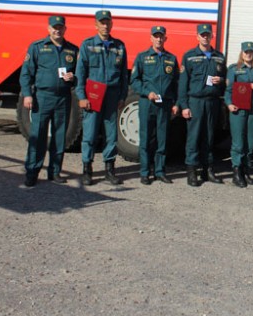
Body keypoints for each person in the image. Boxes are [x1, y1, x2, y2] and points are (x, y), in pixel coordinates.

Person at [20, 15, 78, 187]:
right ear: (48, 28)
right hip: (42, 97)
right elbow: (26, 74)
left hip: (63, 98)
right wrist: (27, 94)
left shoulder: (72, 50)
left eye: (60, 27)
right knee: (38, 136)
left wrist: (73, 78)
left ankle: (54, 171)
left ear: (65, 29)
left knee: (59, 136)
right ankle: (32, 171)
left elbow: (80, 76)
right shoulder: (37, 47)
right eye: (54, 27)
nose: (57, 30)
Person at [76, 10, 129, 185]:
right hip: (93, 96)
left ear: (112, 24)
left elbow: (123, 76)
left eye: (108, 22)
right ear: (96, 25)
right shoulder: (87, 45)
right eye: (102, 22)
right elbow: (80, 73)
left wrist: (123, 96)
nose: (105, 26)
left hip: (112, 96)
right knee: (90, 134)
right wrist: (81, 96)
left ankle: (109, 169)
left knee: (111, 135)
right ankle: (87, 169)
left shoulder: (119, 46)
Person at [177, 23, 227, 187]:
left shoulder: (219, 57)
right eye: (202, 34)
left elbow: (225, 83)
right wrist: (184, 105)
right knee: (194, 137)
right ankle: (191, 171)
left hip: (212, 102)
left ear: (211, 36)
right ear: (197, 36)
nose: (205, 37)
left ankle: (208, 169)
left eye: (207, 34)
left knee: (210, 137)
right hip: (196, 101)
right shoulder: (190, 56)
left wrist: (220, 81)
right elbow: (183, 83)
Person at [130, 26, 180, 185]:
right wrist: (146, 92)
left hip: (164, 105)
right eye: (156, 36)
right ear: (150, 38)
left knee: (162, 139)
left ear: (166, 38)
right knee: (145, 139)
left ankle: (160, 171)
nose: (158, 39)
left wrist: (176, 103)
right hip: (147, 103)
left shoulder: (171, 58)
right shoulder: (143, 57)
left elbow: (176, 83)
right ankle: (144, 172)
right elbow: (134, 80)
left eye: (161, 36)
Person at [225, 41, 253, 188]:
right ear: (242, 53)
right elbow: (228, 91)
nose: (248, 54)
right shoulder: (234, 70)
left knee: (250, 142)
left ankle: (246, 170)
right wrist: (229, 104)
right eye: (246, 52)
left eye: (251, 52)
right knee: (238, 143)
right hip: (238, 110)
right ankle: (236, 172)